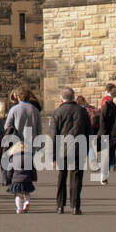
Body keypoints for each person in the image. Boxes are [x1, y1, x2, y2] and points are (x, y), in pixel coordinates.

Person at [51, 87, 91, 215]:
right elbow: (89, 131)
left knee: (61, 177)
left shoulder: (58, 112)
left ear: (61, 98)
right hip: (79, 147)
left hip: (62, 148)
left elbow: (53, 135)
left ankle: (60, 205)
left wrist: (53, 155)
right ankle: (75, 206)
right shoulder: (82, 111)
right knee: (76, 178)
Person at [4, 87, 41, 213]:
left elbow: (7, 126)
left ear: (18, 97)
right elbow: (39, 129)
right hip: (31, 144)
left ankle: (19, 202)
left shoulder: (14, 109)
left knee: (16, 171)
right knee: (28, 173)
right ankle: (27, 198)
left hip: (17, 144)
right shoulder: (35, 110)